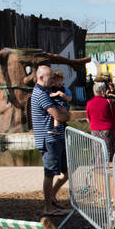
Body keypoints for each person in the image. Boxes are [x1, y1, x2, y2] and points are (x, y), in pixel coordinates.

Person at [31, 66, 71, 216]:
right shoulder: (41, 94)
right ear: (41, 78)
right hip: (49, 139)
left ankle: (52, 198)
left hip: (56, 138)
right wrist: (65, 114)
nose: (53, 80)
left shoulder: (48, 92)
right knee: (50, 172)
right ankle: (48, 207)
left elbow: (62, 113)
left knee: (66, 171)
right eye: (50, 77)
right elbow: (60, 116)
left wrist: (64, 113)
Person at [85, 79, 115, 162]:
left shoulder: (89, 103)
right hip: (108, 129)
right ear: (102, 91)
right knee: (109, 151)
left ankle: (99, 170)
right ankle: (110, 170)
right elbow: (114, 116)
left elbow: (89, 117)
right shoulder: (108, 102)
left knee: (97, 152)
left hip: (95, 130)